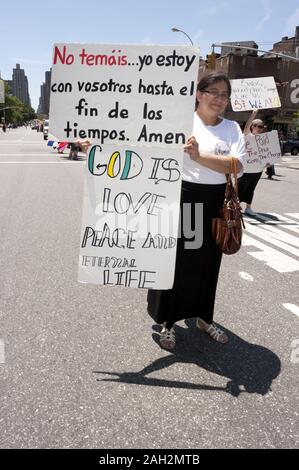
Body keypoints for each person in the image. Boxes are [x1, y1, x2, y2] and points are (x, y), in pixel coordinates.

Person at [147, 72, 246, 349]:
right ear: (199, 94)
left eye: (224, 94)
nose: (219, 99)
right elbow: (143, 144)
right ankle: (168, 322)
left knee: (210, 263)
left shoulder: (232, 129)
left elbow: (236, 165)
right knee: (183, 263)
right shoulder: (180, 122)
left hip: (218, 202)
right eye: (213, 92)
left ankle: (204, 317)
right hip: (188, 199)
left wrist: (199, 156)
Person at [238, 110, 265, 216]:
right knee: (240, 189)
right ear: (252, 126)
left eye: (261, 127)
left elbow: (267, 154)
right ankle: (237, 206)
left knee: (251, 189)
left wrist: (267, 164)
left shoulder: (264, 139)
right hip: (246, 169)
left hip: (258, 170)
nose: (259, 128)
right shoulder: (247, 136)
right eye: (257, 126)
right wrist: (253, 114)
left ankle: (248, 207)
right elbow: (245, 129)